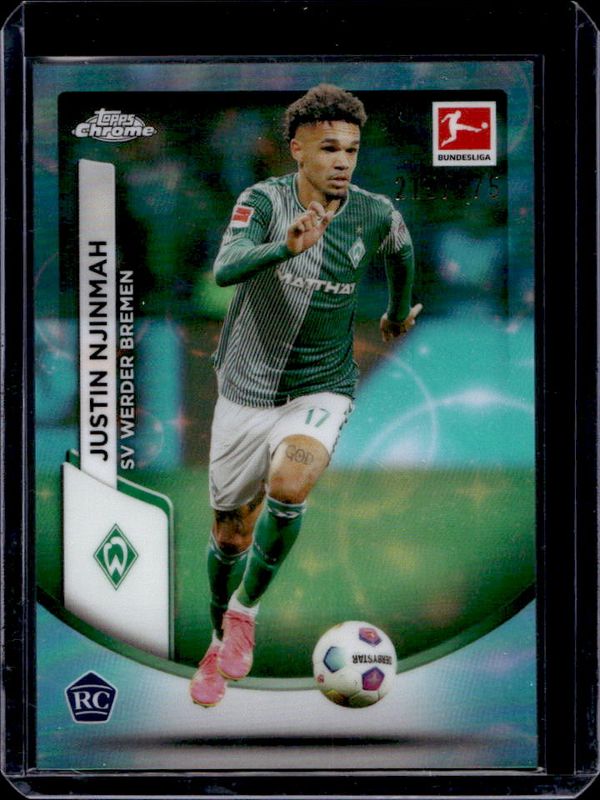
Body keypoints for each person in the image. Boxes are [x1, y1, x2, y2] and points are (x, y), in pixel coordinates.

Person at [190, 83, 422, 706]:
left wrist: (396, 313)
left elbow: (402, 254)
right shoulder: (262, 201)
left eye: (351, 149)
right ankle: (215, 640)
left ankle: (245, 612)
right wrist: (285, 247)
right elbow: (225, 268)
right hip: (247, 386)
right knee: (230, 536)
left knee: (290, 485)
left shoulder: (376, 213)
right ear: (297, 150)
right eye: (328, 149)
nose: (342, 161)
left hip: (322, 384)